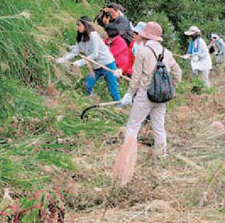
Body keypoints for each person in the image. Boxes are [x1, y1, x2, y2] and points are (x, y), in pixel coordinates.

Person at [119, 22, 182, 155]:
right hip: (162, 96)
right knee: (159, 127)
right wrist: (171, 88)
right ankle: (162, 155)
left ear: (145, 37)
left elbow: (136, 77)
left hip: (145, 94)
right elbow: (178, 73)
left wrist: (130, 94)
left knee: (133, 125)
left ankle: (127, 156)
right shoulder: (168, 53)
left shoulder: (143, 52)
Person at [56, 16, 120, 101]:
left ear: (85, 25)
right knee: (87, 85)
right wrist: (62, 60)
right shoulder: (81, 38)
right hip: (96, 67)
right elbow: (74, 52)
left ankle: (119, 105)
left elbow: (95, 54)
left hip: (107, 65)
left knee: (113, 89)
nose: (78, 27)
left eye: (79, 25)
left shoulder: (94, 36)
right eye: (77, 25)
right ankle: (91, 100)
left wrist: (79, 62)